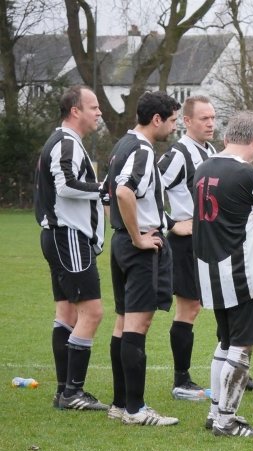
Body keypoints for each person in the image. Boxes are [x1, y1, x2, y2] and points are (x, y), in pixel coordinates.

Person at [194, 111, 253, 437]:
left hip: (209, 268)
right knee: (243, 344)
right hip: (241, 269)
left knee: (226, 340)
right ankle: (227, 419)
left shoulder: (202, 168)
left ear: (225, 137)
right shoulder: (250, 173)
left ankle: (214, 410)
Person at [106, 90, 182, 426]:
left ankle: (120, 404)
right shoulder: (141, 150)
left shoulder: (122, 144)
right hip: (139, 248)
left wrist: (124, 234)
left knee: (123, 322)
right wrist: (138, 236)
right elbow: (123, 192)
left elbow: (108, 192)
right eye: (173, 120)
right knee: (138, 324)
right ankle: (135, 410)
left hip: (121, 244)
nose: (174, 127)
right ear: (157, 119)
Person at [34, 85, 107, 411]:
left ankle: (65, 391)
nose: (99, 112)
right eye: (93, 107)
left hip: (59, 237)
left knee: (66, 312)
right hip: (69, 238)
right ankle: (72, 392)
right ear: (75, 111)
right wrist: (104, 189)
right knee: (92, 312)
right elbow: (65, 185)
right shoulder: (66, 143)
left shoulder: (65, 142)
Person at [157, 95, 217, 400]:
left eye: (213, 118)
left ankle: (232, 372)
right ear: (187, 121)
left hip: (211, 241)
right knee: (189, 307)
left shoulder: (211, 151)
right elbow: (146, 186)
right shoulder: (179, 154)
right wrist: (170, 222)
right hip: (186, 243)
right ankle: (181, 380)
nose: (210, 123)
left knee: (225, 303)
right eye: (204, 118)